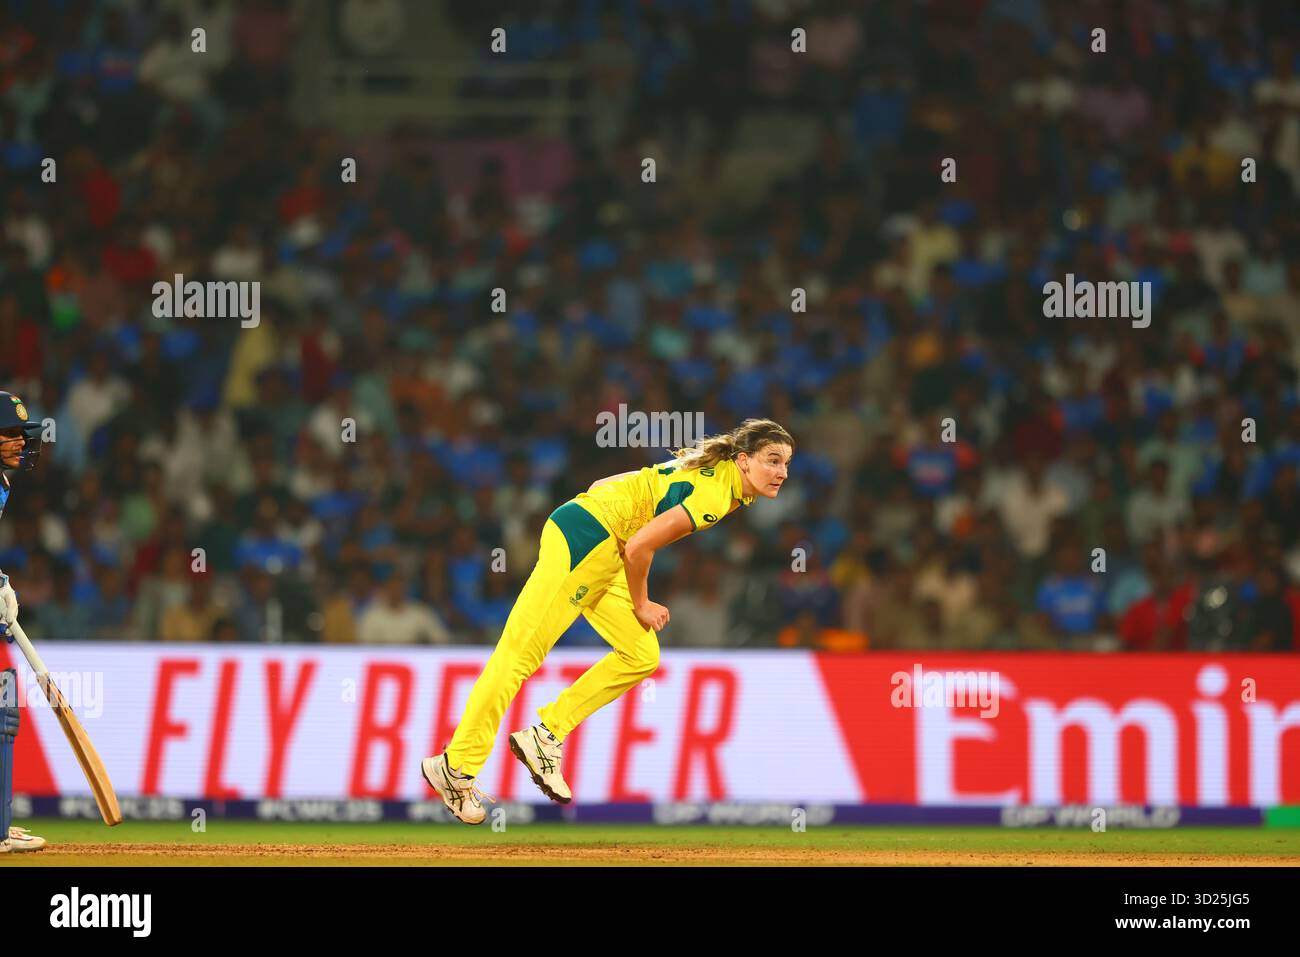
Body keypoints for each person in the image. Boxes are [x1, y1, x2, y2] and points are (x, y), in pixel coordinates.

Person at [421, 418, 794, 823]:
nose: (781, 473)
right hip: (589, 542)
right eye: (772, 461)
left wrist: (609, 517)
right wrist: (642, 603)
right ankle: (455, 769)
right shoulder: (715, 496)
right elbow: (638, 547)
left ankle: (545, 735)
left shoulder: (718, 473)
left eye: (786, 464)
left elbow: (606, 485)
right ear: (743, 460)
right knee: (516, 658)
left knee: (640, 655)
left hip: (600, 541)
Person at [0, 390, 47, 852]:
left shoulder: (2, 482)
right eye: (9, 434)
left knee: (4, 706)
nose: (20, 442)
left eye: (21, 434)